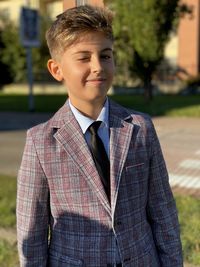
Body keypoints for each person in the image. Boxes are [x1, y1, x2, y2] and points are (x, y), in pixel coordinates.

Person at [17, 4, 183, 267]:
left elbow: (163, 211)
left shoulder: (141, 128)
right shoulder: (40, 142)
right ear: (56, 69)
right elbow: (32, 234)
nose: (98, 67)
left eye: (105, 56)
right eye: (84, 57)